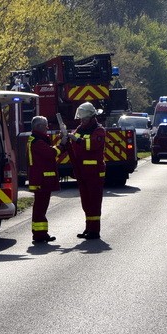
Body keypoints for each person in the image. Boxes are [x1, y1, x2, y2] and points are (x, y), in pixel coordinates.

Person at [67, 101, 106, 239]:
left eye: (84, 118)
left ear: (91, 117)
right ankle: (88, 227)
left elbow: (92, 145)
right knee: (86, 202)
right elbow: (75, 139)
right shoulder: (80, 129)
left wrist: (75, 139)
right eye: (81, 118)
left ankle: (94, 231)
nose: (82, 120)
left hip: (95, 172)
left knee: (94, 202)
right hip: (83, 172)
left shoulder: (99, 130)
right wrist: (67, 137)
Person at [27, 115, 63, 244]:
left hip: (41, 179)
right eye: (45, 125)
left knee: (41, 208)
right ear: (39, 127)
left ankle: (41, 233)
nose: (47, 128)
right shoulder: (37, 141)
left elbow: (48, 147)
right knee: (40, 208)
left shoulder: (38, 139)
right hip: (41, 180)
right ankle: (39, 234)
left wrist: (58, 139)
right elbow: (50, 153)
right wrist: (62, 146)